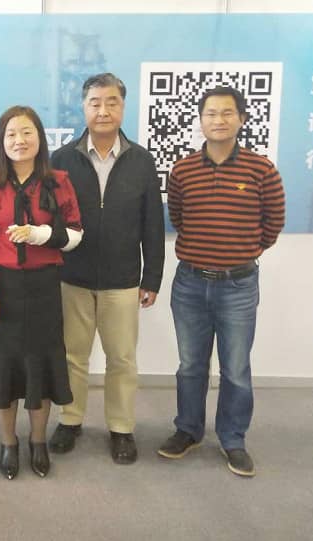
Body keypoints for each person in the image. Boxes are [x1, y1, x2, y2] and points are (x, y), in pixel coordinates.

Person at [158, 86, 285, 477]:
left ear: (241, 119)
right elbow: (178, 218)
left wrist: (242, 252)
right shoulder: (183, 170)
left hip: (238, 286)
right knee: (190, 365)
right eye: (210, 113)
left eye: (227, 113)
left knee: (236, 369)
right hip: (190, 284)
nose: (218, 120)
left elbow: (273, 222)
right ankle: (188, 429)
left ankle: (233, 439)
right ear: (200, 120)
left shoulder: (261, 169)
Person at [0, 106, 82, 479]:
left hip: (44, 288)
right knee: (4, 370)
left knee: (41, 367)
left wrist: (41, 235)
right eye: (11, 134)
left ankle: (38, 440)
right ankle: (9, 442)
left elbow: (75, 234)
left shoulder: (58, 182)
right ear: (1, 142)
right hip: (3, 290)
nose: (19, 140)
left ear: (40, 138)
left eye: (27, 132)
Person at [48, 72, 165, 464]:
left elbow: (153, 224)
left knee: (122, 359)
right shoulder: (62, 159)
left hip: (123, 279)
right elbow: (50, 222)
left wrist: (152, 278)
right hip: (72, 277)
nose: (103, 110)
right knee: (72, 355)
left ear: (123, 107)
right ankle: (70, 420)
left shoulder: (141, 160)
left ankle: (121, 428)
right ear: (83, 108)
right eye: (95, 103)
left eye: (111, 102)